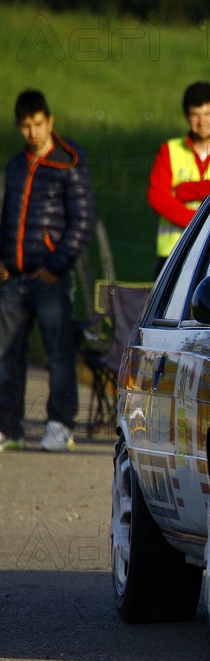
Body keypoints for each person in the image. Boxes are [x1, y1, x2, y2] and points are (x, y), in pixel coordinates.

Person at [0, 89, 95, 452]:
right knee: (6, 352)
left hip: (50, 278)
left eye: (37, 124)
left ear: (50, 121)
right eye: (25, 126)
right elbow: (6, 217)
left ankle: (59, 423)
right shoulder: (15, 166)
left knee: (58, 352)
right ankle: (9, 427)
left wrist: (56, 266)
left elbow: (82, 222)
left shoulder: (68, 161)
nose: (32, 132)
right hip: (14, 277)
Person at [147, 81, 210, 273]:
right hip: (173, 252)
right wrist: (199, 222)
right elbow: (157, 197)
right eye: (195, 115)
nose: (202, 122)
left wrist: (180, 190)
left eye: (208, 114)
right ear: (186, 116)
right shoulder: (169, 150)